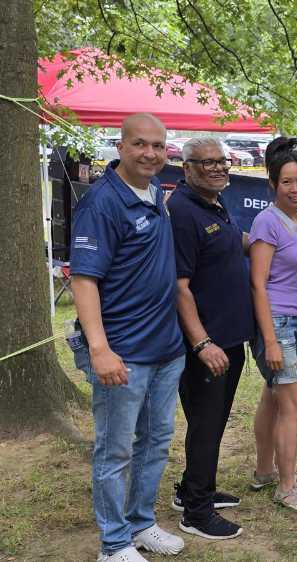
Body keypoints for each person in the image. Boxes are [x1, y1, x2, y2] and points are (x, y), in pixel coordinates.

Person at [69, 113, 187, 561]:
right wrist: (99, 349)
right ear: (120, 147)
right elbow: (84, 280)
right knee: (115, 451)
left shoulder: (155, 193)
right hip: (123, 354)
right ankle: (113, 543)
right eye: (140, 144)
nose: (150, 154)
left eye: (158, 146)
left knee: (155, 442)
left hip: (165, 349)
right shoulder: (102, 203)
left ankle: (140, 523)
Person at [167, 137, 253, 541]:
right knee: (205, 424)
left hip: (229, 338)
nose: (218, 168)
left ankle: (192, 488)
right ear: (187, 168)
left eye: (222, 161)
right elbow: (179, 285)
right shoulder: (183, 211)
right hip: (206, 345)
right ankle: (196, 513)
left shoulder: (215, 203)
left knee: (214, 422)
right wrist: (202, 343)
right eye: (207, 163)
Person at [248, 137, 297, 514]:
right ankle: (287, 487)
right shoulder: (266, 221)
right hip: (276, 320)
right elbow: (257, 283)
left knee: (273, 395)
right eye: (287, 182)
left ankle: (266, 470)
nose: (295, 189)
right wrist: (270, 340)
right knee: (295, 402)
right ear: (272, 184)